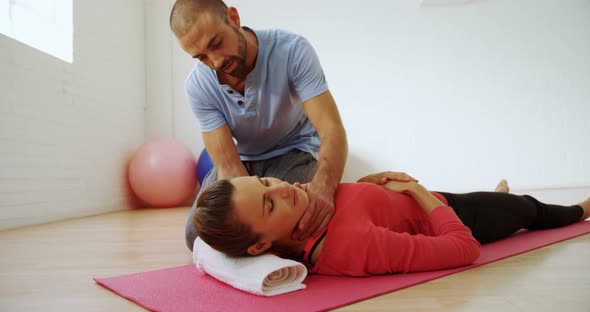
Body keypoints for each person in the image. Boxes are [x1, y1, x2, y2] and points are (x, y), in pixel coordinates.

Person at [169, 0, 349, 251]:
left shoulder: (293, 51)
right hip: (243, 163)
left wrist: (324, 189)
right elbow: (228, 165)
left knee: (298, 227)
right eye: (201, 57)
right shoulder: (198, 86)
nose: (216, 61)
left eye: (216, 43)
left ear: (233, 17)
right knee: (198, 237)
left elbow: (331, 128)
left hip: (294, 152)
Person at [192, 173, 590, 276]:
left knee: (500, 200)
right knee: (527, 209)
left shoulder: (305, 212)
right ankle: (580, 210)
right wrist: (416, 190)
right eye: (268, 202)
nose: (283, 188)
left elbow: (356, 204)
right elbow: (464, 249)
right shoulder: (350, 246)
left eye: (266, 182)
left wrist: (373, 185)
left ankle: (495, 195)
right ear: (260, 246)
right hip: (456, 215)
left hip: (436, 199)